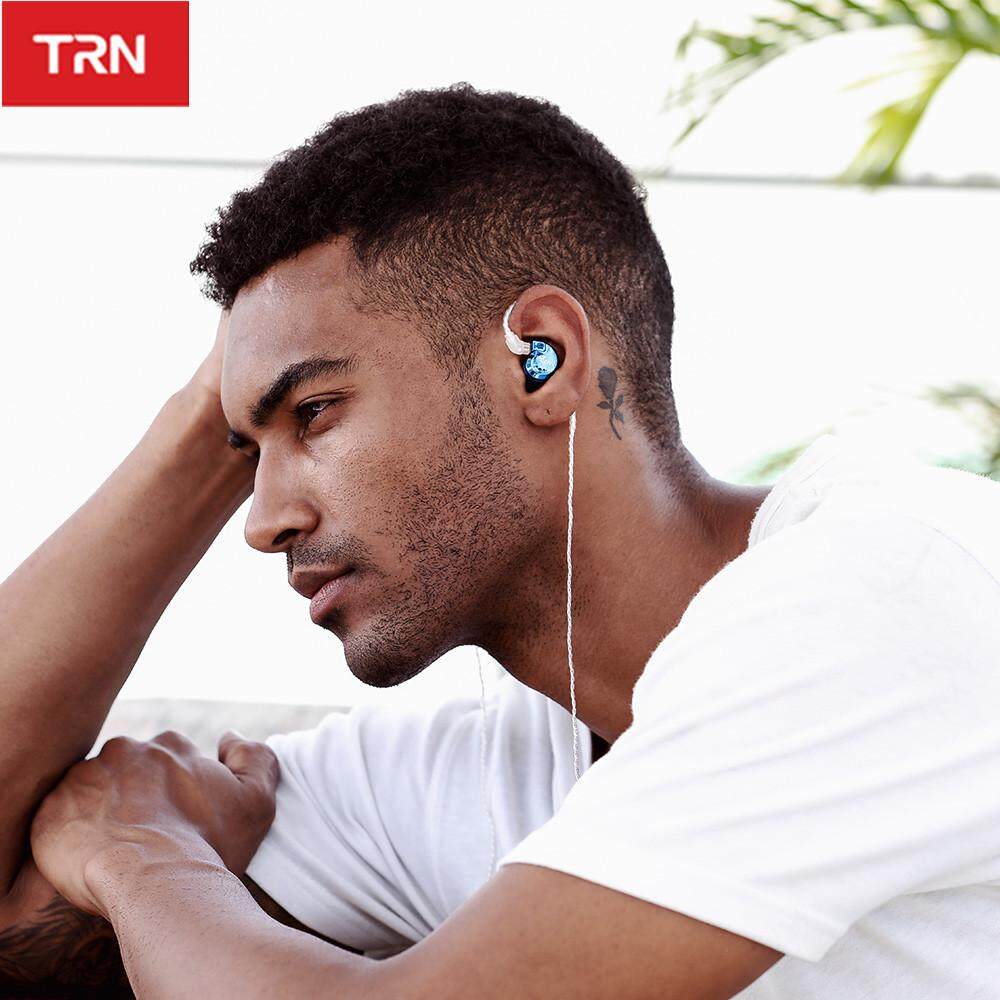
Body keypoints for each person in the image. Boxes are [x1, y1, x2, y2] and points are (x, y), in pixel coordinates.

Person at [2, 83, 999, 999]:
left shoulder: (885, 591)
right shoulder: (479, 764)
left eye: (313, 412)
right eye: (244, 449)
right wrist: (200, 419)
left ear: (542, 359)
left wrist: (146, 861)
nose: (264, 522)